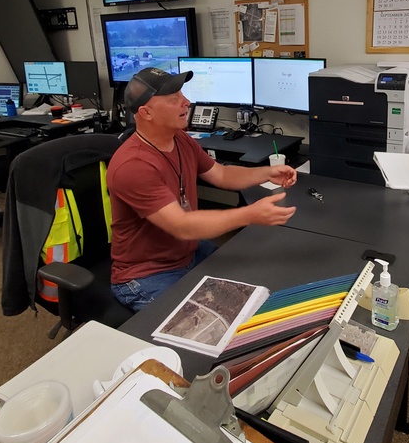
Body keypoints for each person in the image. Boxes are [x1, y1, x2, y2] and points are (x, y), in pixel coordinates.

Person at [108, 67, 298, 311]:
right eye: (174, 99)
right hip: (147, 274)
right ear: (146, 112)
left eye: (183, 95)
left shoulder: (180, 138)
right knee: (206, 326)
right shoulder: (133, 165)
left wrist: (265, 173)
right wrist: (250, 214)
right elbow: (182, 226)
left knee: (254, 290)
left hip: (188, 253)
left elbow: (221, 174)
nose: (186, 103)